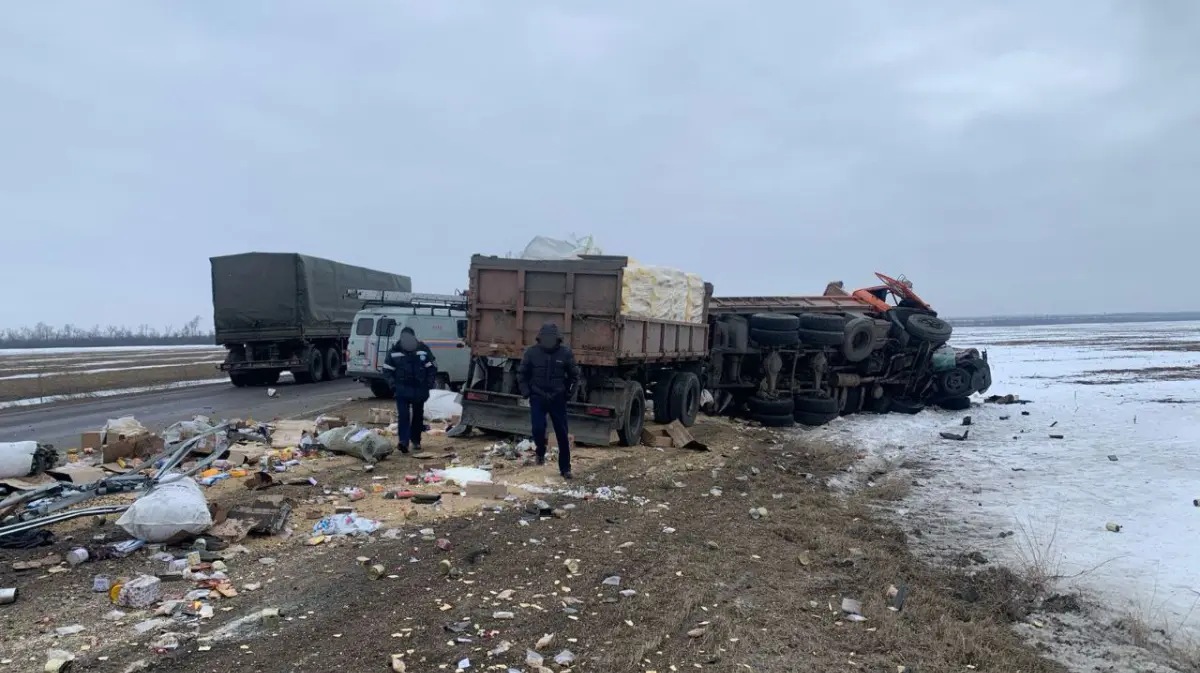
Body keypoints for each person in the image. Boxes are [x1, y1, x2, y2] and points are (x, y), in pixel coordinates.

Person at [518, 323, 580, 479]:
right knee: (538, 429)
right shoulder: (531, 353)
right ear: (540, 338)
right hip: (537, 397)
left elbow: (574, 376)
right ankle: (540, 451)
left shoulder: (565, 353)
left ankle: (565, 468)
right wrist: (526, 392)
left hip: (558, 398)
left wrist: (568, 394)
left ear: (558, 339)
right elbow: (522, 375)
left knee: (562, 435)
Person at [382, 326, 437, 454]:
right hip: (402, 390)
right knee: (404, 415)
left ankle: (416, 441)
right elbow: (387, 370)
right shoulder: (394, 351)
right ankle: (403, 442)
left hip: (419, 389)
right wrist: (393, 385)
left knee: (418, 416)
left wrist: (428, 383)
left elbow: (432, 368)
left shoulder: (423, 350)